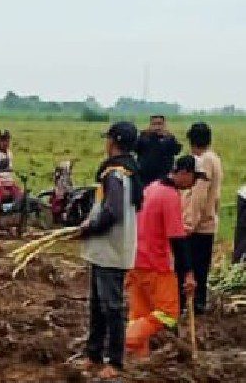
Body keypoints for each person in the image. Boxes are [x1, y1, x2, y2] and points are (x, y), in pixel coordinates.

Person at [77, 121, 142, 380]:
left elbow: (112, 212)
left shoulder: (115, 175)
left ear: (114, 142)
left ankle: (115, 361)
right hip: (107, 251)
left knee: (111, 307)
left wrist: (89, 227)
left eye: (108, 139)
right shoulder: (128, 172)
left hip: (111, 251)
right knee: (97, 306)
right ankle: (93, 354)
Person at [125, 156, 200, 358]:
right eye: (194, 178)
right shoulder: (170, 196)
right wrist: (188, 273)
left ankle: (139, 362)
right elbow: (177, 239)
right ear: (184, 173)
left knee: (140, 315)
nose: (194, 183)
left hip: (135, 261)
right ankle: (125, 338)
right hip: (156, 265)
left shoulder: (151, 188)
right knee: (168, 314)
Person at [179, 122, 223, 314]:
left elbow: (198, 195)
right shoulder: (214, 158)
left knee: (190, 267)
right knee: (201, 267)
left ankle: (191, 304)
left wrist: (189, 223)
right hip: (208, 222)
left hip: (199, 225)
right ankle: (198, 303)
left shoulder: (202, 161)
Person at [135, 115, 182, 186]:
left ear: (164, 125)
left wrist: (166, 139)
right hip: (145, 178)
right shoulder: (143, 137)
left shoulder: (169, 138)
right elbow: (135, 149)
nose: (157, 127)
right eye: (154, 124)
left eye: (159, 124)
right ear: (150, 125)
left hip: (163, 177)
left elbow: (177, 151)